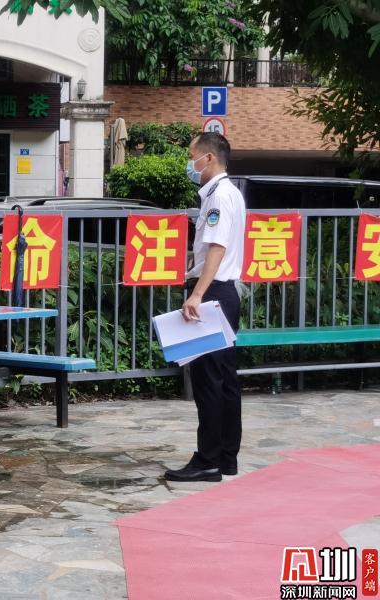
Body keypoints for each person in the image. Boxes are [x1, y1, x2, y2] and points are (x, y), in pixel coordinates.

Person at [164, 132, 246, 483]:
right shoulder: (231, 193)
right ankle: (226, 457)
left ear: (208, 158)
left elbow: (216, 248)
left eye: (192, 155)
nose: (190, 163)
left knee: (208, 380)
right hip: (223, 293)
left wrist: (196, 294)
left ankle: (208, 459)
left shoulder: (218, 196)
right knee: (225, 380)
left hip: (213, 294)